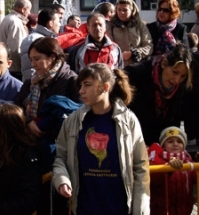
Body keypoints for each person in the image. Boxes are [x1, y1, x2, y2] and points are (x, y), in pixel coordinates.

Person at [52, 63, 150, 215]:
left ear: (105, 87)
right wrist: (62, 180)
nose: (81, 91)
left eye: (87, 85)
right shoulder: (72, 121)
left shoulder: (128, 120)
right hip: (85, 208)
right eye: (80, 85)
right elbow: (61, 158)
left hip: (120, 208)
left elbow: (140, 166)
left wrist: (140, 209)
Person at [124, 43, 193, 145]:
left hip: (162, 144)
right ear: (164, 64)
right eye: (174, 72)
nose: (177, 80)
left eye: (183, 76)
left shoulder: (182, 86)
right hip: (133, 141)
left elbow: (175, 119)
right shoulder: (136, 74)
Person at [16, 37, 79, 138]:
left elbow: (77, 114)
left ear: (52, 57)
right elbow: (17, 107)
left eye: (37, 59)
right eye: (31, 60)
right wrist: (27, 121)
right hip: (31, 141)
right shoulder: (31, 83)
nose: (33, 64)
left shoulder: (71, 81)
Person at [147, 126, 195, 215]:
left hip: (185, 210)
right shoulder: (155, 159)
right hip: (161, 211)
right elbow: (152, 179)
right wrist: (168, 168)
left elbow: (195, 178)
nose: (175, 144)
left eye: (179, 141)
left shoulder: (188, 160)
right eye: (170, 141)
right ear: (163, 145)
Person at [109, 0, 153, 66]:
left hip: (137, 67)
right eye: (119, 10)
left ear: (132, 10)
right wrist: (118, 55)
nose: (122, 12)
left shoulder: (140, 25)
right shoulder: (110, 26)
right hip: (117, 66)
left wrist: (133, 53)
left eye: (125, 10)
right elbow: (107, 46)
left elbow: (149, 46)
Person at [20, 9, 60, 81]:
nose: (60, 24)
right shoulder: (34, 40)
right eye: (58, 21)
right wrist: (35, 84)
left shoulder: (45, 38)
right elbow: (29, 70)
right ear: (51, 23)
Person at [0, 0, 32, 79]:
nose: (29, 13)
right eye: (29, 10)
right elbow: (16, 48)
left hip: (9, 66)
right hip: (15, 69)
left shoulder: (7, 18)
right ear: (23, 9)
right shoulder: (16, 22)